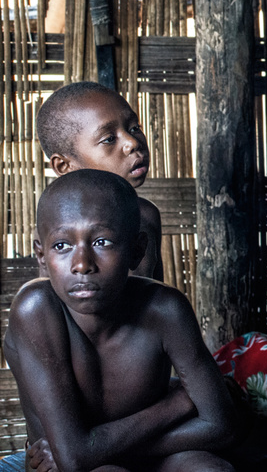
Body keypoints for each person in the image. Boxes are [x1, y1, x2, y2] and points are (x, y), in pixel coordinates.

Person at [4, 169, 238, 471]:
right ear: (40, 254)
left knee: (209, 469)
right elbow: (75, 459)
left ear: (136, 251)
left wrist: (94, 451)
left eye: (102, 242)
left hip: (150, 454)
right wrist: (177, 403)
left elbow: (222, 426)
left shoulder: (164, 309)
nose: (82, 265)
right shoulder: (36, 309)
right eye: (62, 245)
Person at [35, 81, 163, 280]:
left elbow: (156, 294)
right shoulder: (54, 225)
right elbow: (50, 303)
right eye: (109, 139)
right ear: (64, 166)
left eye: (134, 128)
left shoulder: (146, 215)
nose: (133, 143)